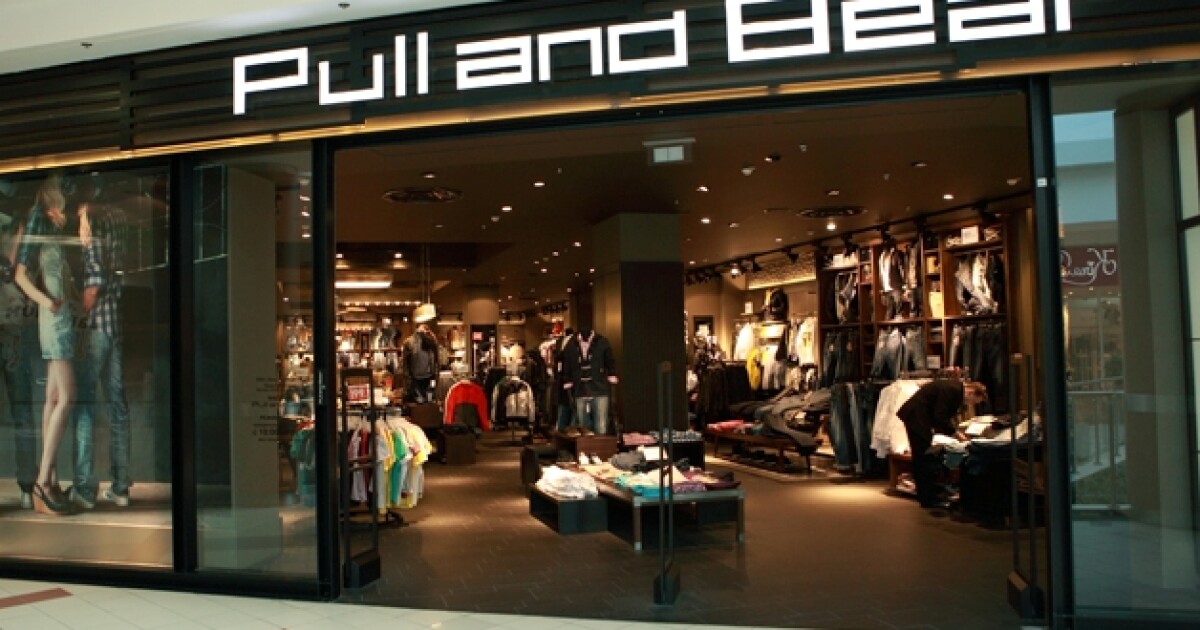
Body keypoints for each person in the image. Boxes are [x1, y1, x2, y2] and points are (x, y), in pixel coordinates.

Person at [14, 172, 82, 515]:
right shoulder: (38, 217)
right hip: (54, 317)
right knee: (67, 397)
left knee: (53, 398)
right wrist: (47, 302)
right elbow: (20, 273)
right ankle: (43, 480)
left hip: (58, 314)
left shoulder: (50, 221)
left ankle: (49, 481)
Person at [69, 183, 132, 509]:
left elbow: (94, 281)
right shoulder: (119, 218)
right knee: (118, 407)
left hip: (96, 327)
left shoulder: (93, 221)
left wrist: (78, 311)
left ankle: (84, 489)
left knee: (84, 406)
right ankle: (120, 487)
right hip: (115, 323)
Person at [0, 188, 40, 510]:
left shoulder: (18, 231)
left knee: (22, 412)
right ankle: (27, 488)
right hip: (15, 328)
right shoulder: (23, 233)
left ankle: (28, 486)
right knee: (22, 412)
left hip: (14, 329)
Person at [896, 379, 987, 509]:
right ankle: (928, 499)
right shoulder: (953, 390)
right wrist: (956, 434)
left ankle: (927, 495)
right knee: (923, 457)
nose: (969, 404)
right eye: (973, 401)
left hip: (917, 417)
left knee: (923, 456)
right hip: (917, 417)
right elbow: (940, 416)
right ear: (971, 392)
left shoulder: (953, 387)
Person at [402, 324, 438, 403]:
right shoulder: (409, 342)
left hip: (426, 378)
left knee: (428, 400)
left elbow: (436, 361)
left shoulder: (431, 340)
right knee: (424, 401)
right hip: (418, 379)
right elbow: (405, 364)